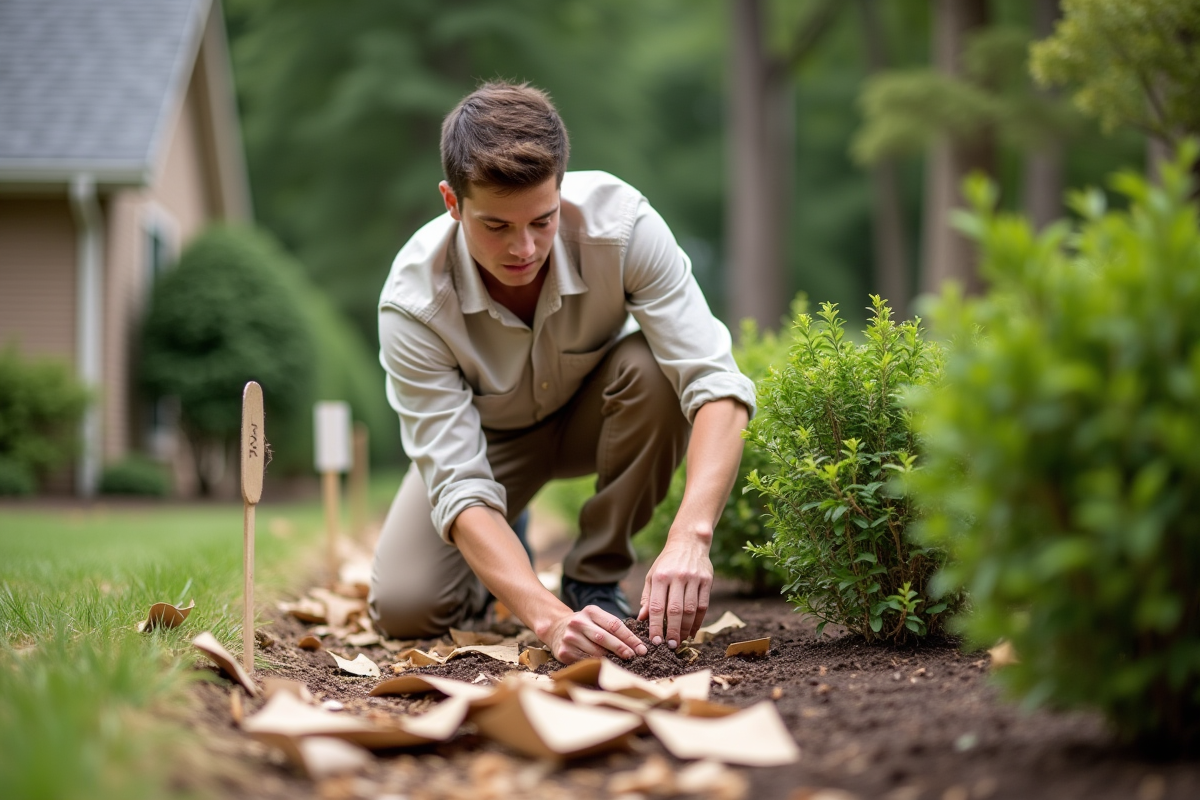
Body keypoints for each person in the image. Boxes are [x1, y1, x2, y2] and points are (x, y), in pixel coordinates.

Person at [369, 81, 754, 665]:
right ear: (452, 202)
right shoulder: (412, 304)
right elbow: (459, 485)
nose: (523, 248)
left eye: (542, 221)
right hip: (489, 445)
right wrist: (548, 623)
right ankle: (505, 549)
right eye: (496, 226)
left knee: (656, 369)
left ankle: (594, 579)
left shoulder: (623, 228)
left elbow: (717, 386)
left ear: (561, 189)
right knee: (407, 607)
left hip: (594, 416)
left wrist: (689, 538)